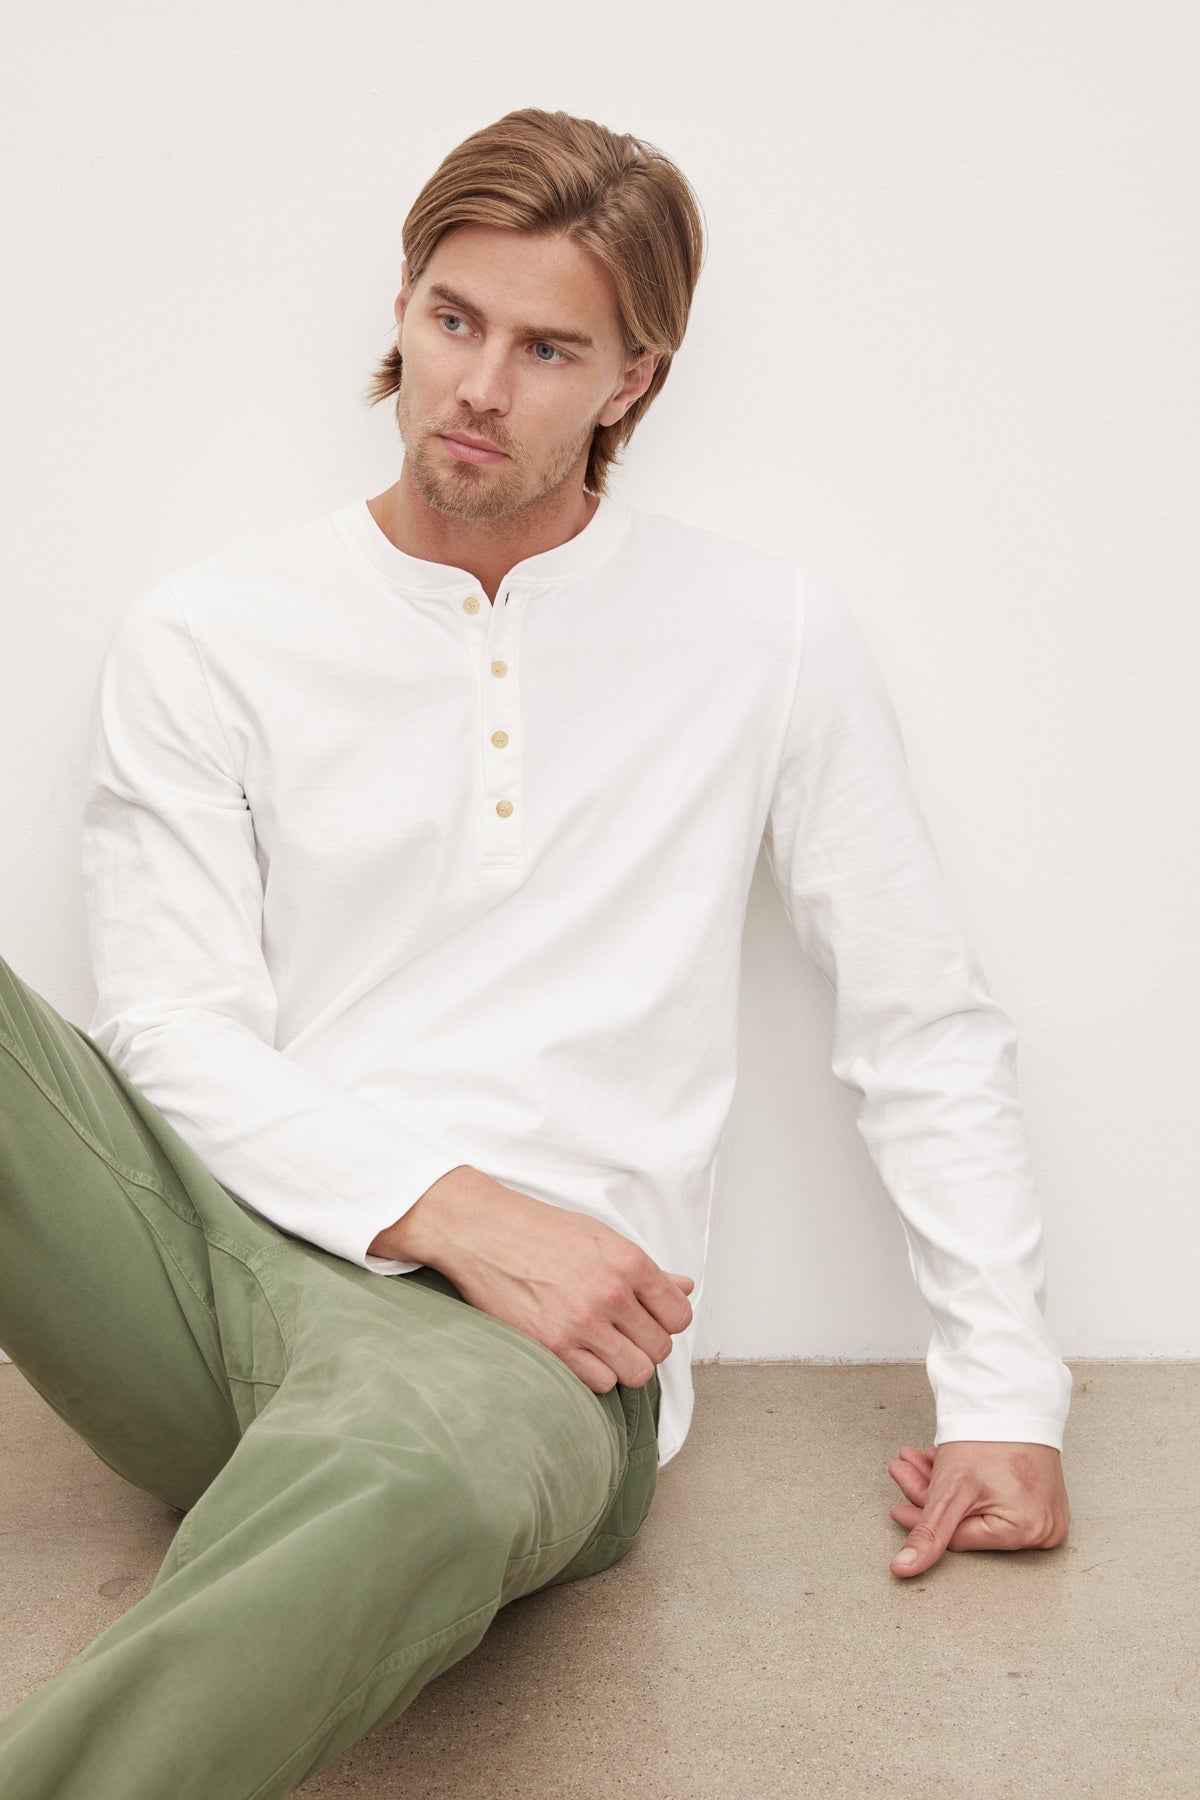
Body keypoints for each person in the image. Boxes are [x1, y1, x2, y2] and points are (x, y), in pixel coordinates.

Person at [0, 106, 1071, 1797]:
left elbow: (918, 1016)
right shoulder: (213, 632)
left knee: (415, 1468)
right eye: (451, 320)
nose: (478, 385)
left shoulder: (762, 633)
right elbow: (174, 1033)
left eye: (547, 346)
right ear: (407, 308)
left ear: (633, 378)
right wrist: (463, 1210)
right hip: (214, 1271)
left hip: (532, 1357)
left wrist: (1007, 1394)